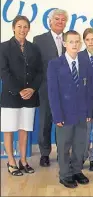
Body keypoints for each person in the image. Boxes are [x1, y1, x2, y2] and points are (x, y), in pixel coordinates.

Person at [47, 30, 92, 188]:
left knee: (80, 144)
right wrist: (57, 116)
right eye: (71, 41)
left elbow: (89, 90)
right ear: (64, 43)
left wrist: (89, 112)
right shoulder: (55, 64)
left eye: (77, 41)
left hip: (82, 113)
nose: (75, 44)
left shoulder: (85, 63)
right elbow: (53, 93)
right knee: (64, 145)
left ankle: (76, 170)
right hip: (64, 114)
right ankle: (65, 174)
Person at [0, 15, 43, 176]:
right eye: (19, 26)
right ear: (13, 28)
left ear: (29, 29)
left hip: (30, 95)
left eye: (25, 27)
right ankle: (11, 161)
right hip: (11, 96)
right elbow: (4, 72)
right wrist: (19, 90)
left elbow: (40, 72)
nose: (22, 30)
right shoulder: (3, 47)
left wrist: (32, 88)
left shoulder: (34, 48)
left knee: (25, 128)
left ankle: (23, 160)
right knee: (9, 129)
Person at [33, 8, 68, 167]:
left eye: (63, 19)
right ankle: (45, 154)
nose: (60, 22)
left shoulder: (70, 39)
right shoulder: (39, 39)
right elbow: (36, 66)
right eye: (57, 19)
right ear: (50, 21)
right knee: (45, 121)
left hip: (65, 89)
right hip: (46, 88)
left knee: (63, 122)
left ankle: (62, 152)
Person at [79, 28, 93, 171]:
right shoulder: (79, 56)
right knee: (84, 131)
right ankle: (82, 156)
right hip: (84, 101)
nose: (90, 42)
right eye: (87, 39)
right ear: (84, 41)